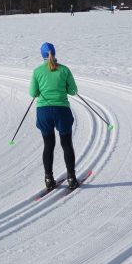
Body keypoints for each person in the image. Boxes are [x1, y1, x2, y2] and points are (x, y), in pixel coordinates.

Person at [28, 42, 79, 190]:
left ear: (42, 55)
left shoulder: (37, 71)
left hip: (44, 112)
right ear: (54, 53)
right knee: (66, 144)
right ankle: (71, 178)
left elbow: (33, 93)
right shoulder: (64, 70)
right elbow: (73, 91)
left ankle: (49, 179)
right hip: (61, 111)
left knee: (48, 145)